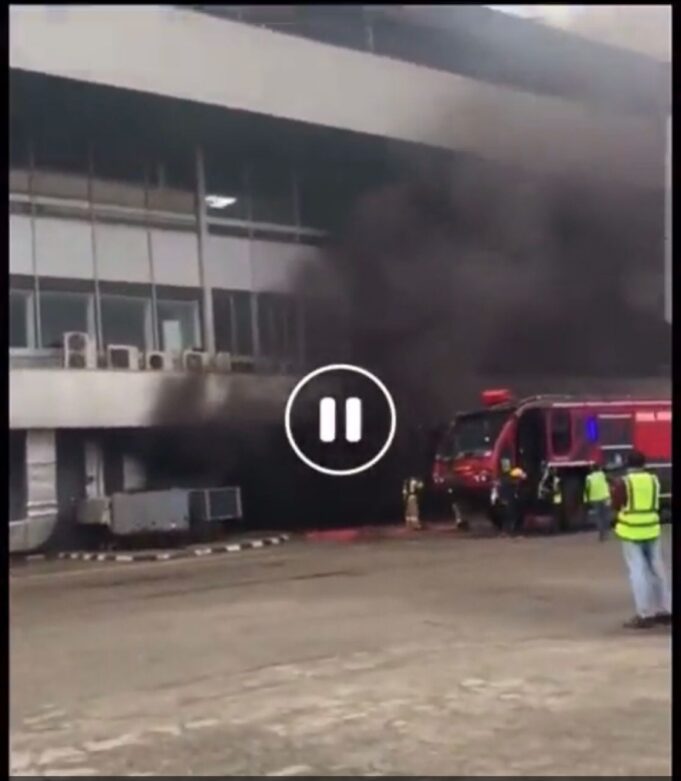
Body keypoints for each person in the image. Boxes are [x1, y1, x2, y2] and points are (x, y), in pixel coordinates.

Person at [612, 450, 671, 629]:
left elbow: (616, 504)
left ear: (628, 464)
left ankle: (645, 614)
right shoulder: (654, 480)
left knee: (638, 572)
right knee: (658, 570)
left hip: (631, 531)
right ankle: (665, 610)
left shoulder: (624, 482)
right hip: (652, 529)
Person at [584, 462, 612, 541]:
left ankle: (601, 532)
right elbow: (610, 480)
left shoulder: (589, 478)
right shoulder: (603, 475)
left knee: (598, 517)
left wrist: (587, 499)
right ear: (599, 468)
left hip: (594, 499)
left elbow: (587, 489)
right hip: (606, 497)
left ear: (591, 469)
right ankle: (606, 531)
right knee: (606, 515)